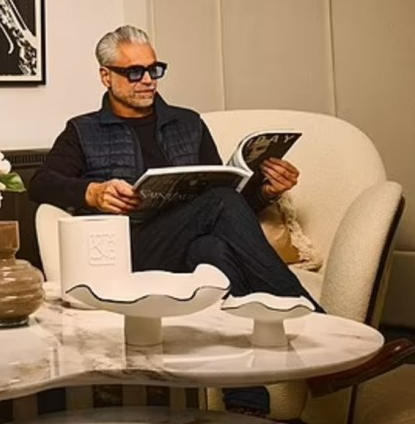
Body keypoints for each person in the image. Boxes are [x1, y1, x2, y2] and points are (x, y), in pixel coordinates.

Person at [29, 25, 320, 419]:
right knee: (216, 206)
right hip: (127, 250)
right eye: (134, 72)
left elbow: (229, 203)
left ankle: (246, 405)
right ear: (106, 75)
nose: (147, 80)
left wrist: (266, 192)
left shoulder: (188, 122)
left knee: (214, 248)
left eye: (154, 69)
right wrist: (93, 192)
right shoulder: (83, 130)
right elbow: (41, 183)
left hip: (186, 243)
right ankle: (320, 328)